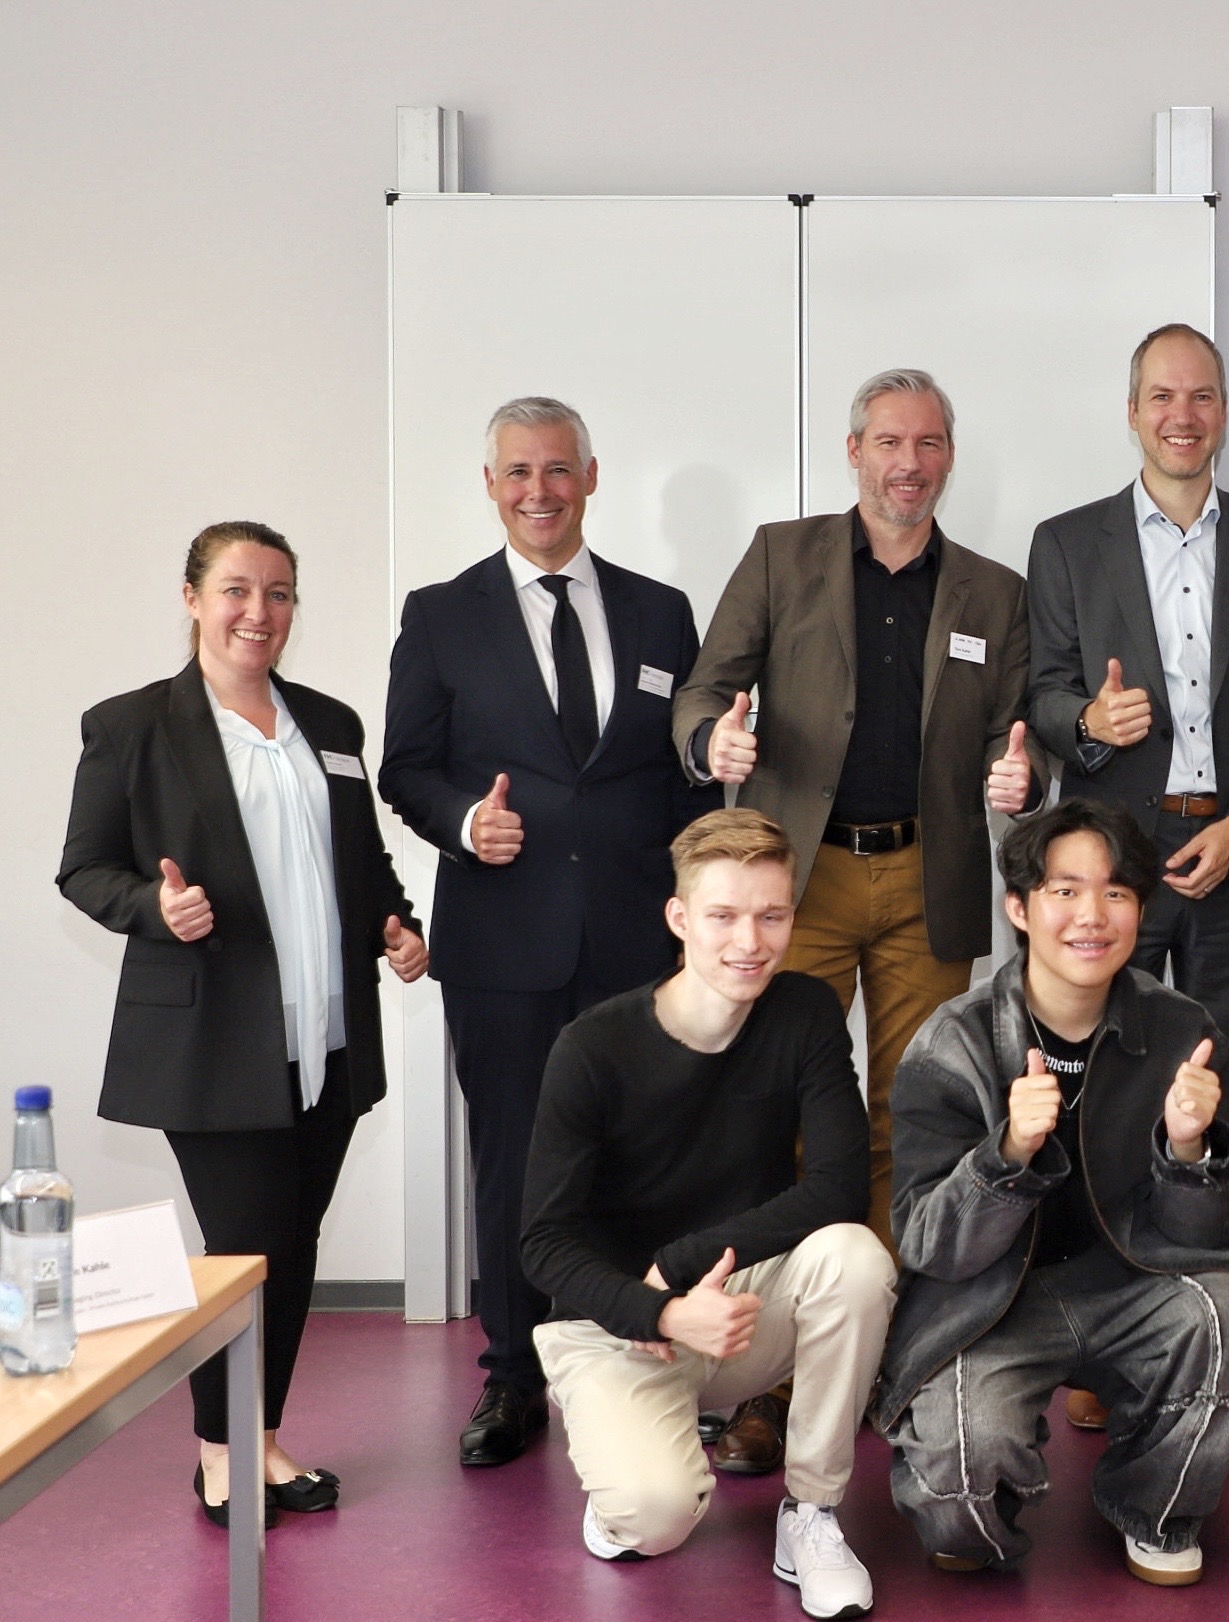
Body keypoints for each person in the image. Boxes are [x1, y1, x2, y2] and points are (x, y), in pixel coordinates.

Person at [672, 368, 1039, 1470]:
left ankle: (890, 1358)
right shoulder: (780, 556)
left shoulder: (991, 591)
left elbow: (1011, 732)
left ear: (948, 457)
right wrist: (711, 742)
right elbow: (703, 689)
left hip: (929, 878)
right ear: (853, 451)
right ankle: (772, 1378)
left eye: (927, 443)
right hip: (801, 882)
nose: (907, 464)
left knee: (911, 1122)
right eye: (888, 441)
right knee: (781, 1120)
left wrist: (1016, 774)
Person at [60, 522, 428, 1526]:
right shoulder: (133, 725)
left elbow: (363, 863)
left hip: (328, 1036)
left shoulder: (330, 724)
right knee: (244, 1246)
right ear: (191, 598)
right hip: (213, 1044)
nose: (258, 612)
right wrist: (154, 907)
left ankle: (259, 1438)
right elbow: (85, 867)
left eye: (279, 593)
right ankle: (219, 1454)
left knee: (291, 1245)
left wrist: (399, 927)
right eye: (235, 589)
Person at [382, 397, 721, 1468]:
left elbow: (685, 778)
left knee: (643, 1157)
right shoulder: (442, 614)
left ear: (591, 477)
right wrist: (462, 823)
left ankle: (641, 1352)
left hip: (637, 941)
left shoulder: (661, 612)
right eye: (520, 472)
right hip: (502, 941)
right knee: (512, 1159)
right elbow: (405, 767)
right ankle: (514, 1376)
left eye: (559, 469)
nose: (541, 490)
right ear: (491, 485)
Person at [876, 799, 1229, 1588]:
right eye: (1064, 891)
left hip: (1136, 1284)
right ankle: (988, 1488)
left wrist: (1188, 1149)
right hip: (990, 1304)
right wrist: (1006, 1156)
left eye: (1116, 892)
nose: (1092, 915)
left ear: (1140, 910)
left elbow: (1212, 1237)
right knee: (959, 1513)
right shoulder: (954, 1041)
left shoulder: (1183, 1030)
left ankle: (1152, 1505)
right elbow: (928, 1244)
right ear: (1018, 908)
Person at [1026, 326, 1229, 1436]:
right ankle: (1102, 1339)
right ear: (1132, 411)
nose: (1181, 415)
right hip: (1116, 870)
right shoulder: (1069, 542)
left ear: (1223, 410)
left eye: (1200, 396)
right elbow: (1044, 691)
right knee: (1103, 1097)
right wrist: (1087, 723)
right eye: (1160, 396)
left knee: (1219, 1099)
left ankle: (1225, 1330)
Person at [521, 809, 894, 1617]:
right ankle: (623, 1469)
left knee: (855, 1258)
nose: (749, 942)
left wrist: (684, 1264)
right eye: (723, 916)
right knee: (652, 1522)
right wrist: (656, 1308)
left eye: (771, 916)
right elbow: (543, 1244)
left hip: (733, 1305)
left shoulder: (803, 1012)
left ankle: (811, 1512)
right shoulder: (592, 1047)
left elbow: (840, 1189)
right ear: (679, 918)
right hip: (616, 1324)